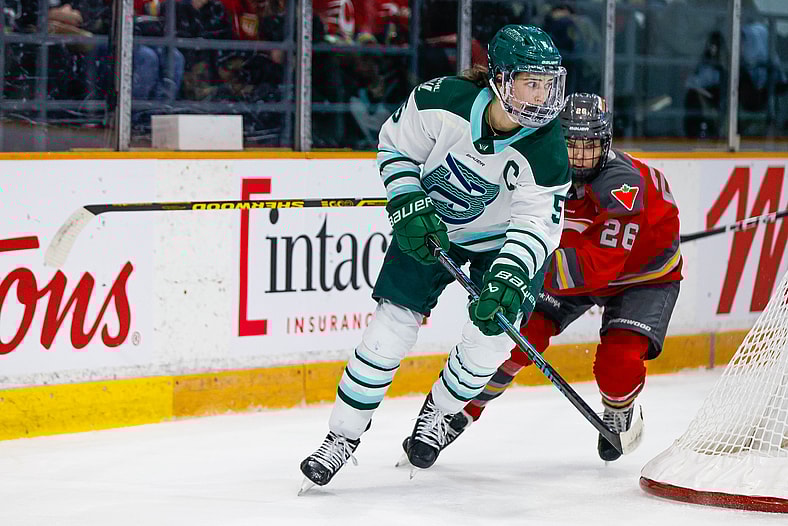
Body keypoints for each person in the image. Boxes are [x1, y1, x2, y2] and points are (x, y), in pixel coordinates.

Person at [299, 24, 572, 490]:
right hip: (431, 227)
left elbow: (536, 226)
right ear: (500, 79)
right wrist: (407, 197)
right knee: (388, 331)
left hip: (502, 244)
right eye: (531, 83)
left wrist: (509, 276)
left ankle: (440, 413)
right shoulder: (441, 100)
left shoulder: (548, 148)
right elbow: (396, 148)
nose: (542, 96)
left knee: (491, 340)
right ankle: (341, 436)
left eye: (548, 84)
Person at [437, 92, 683, 462]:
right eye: (571, 144)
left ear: (606, 143)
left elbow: (596, 267)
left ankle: (618, 407)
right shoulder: (535, 165)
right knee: (514, 340)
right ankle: (462, 410)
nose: (580, 156)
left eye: (590, 145)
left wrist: (519, 270)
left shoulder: (623, 185)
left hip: (643, 275)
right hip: (575, 260)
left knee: (618, 366)